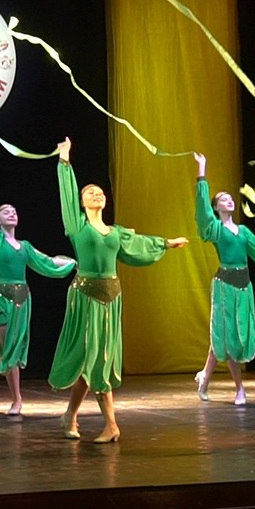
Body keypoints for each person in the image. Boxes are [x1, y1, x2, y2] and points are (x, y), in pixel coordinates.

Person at [50, 137, 188, 443]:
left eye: (100, 192)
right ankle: (96, 421)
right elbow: (66, 195)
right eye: (89, 193)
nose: (96, 194)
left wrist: (167, 243)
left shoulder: (116, 233)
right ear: (81, 203)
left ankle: (82, 418)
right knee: (88, 358)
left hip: (111, 300)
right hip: (85, 298)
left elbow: (140, 245)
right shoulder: (77, 226)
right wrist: (64, 160)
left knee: (100, 361)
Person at [0, 168, 76, 415]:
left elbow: (47, 261)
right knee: (10, 346)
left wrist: (73, 264)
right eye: (5, 212)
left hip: (23, 300)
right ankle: (17, 400)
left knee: (1, 348)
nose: (11, 213)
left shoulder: (25, 247)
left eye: (13, 211)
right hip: (2, 299)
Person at [193, 152, 255, 406]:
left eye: (229, 197)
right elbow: (202, 211)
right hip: (224, 286)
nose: (228, 200)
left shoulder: (244, 231)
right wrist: (202, 172)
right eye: (222, 199)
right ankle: (240, 389)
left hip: (244, 287)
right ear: (217, 208)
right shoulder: (215, 229)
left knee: (227, 337)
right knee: (227, 337)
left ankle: (205, 377)